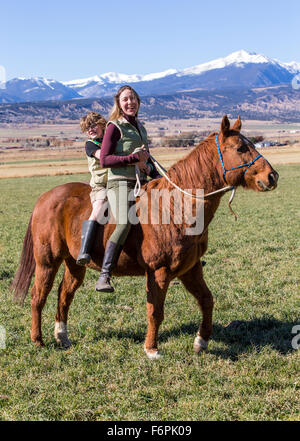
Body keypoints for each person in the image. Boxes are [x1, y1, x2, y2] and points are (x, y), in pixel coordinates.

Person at [96, 85, 160, 292]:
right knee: (123, 222)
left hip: (142, 181)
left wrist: (160, 177)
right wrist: (133, 158)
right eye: (125, 99)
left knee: (170, 211)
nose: (130, 102)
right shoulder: (114, 126)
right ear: (119, 104)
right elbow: (105, 159)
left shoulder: (141, 128)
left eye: (133, 98)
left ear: (138, 102)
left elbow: (146, 161)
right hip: (120, 182)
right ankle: (105, 274)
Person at [76, 112, 108, 266]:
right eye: (87, 128)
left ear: (102, 124)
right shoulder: (91, 145)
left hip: (118, 181)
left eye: (93, 125)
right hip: (100, 185)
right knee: (98, 207)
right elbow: (103, 156)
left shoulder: (109, 140)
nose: (90, 130)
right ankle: (85, 249)